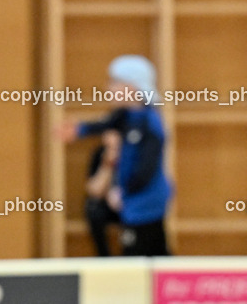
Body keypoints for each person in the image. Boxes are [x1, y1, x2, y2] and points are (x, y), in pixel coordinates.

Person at [57, 55, 172, 257]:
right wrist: (79, 130)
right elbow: (102, 125)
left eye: (115, 83)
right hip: (132, 201)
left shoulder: (150, 122)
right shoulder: (123, 116)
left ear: (133, 87)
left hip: (146, 200)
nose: (109, 88)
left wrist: (123, 190)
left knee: (146, 249)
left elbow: (147, 166)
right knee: (148, 248)